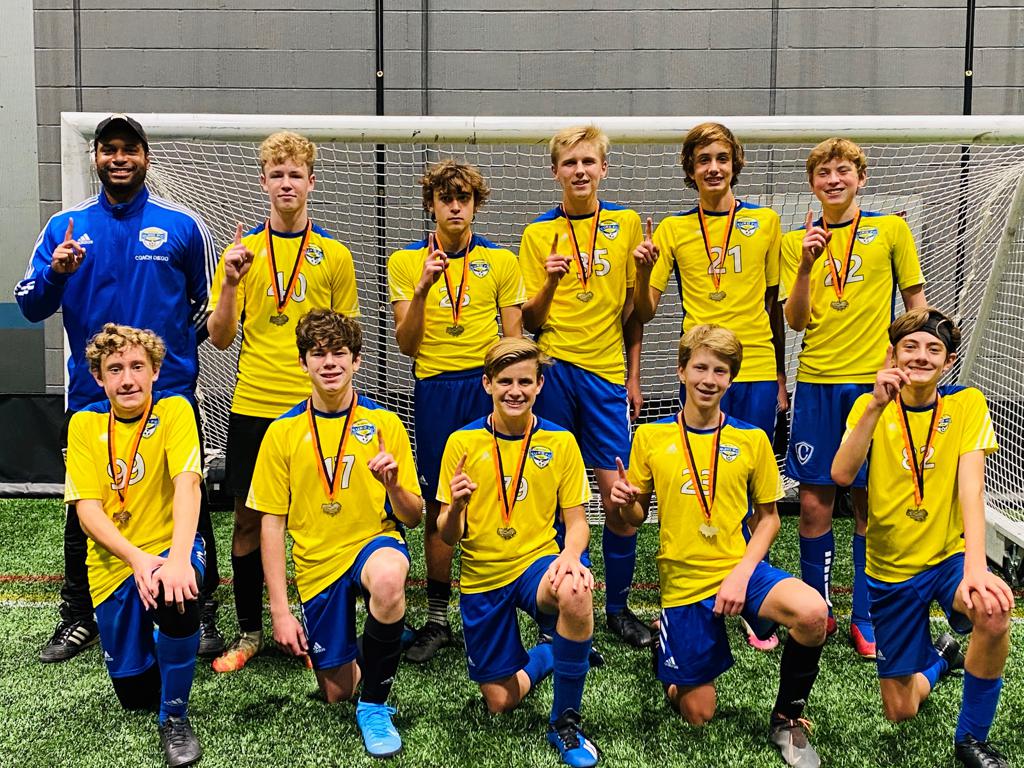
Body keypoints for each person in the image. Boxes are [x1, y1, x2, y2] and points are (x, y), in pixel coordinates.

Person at [14, 114, 224, 663]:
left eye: (129, 148)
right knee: (83, 507)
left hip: (171, 397)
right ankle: (78, 615)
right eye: (109, 149)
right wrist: (57, 273)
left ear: (146, 157)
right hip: (91, 400)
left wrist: (165, 362)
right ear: (96, 158)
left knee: (188, 496)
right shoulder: (65, 227)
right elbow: (30, 305)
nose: (119, 158)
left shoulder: (182, 225)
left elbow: (205, 308)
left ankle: (199, 608)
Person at [611, 325, 828, 768]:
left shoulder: (752, 439)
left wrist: (741, 574)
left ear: (731, 379)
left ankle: (787, 719)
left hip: (740, 569)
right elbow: (634, 518)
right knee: (698, 714)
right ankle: (666, 647)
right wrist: (625, 502)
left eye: (720, 371)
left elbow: (769, 519)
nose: (709, 379)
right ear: (681, 371)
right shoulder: (650, 438)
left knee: (813, 613)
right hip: (684, 581)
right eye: (701, 368)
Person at [205, 130, 360, 673]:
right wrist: (230, 283)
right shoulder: (241, 254)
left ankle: (323, 629)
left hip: (316, 412)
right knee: (248, 521)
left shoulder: (334, 255)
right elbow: (220, 337)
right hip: (253, 406)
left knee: (324, 519)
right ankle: (250, 632)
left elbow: (349, 340)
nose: (286, 183)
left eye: (296, 174)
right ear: (263, 181)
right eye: (277, 174)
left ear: (311, 182)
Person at [832, 307, 1013, 768]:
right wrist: (875, 405)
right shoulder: (869, 406)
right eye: (910, 346)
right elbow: (841, 474)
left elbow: (972, 490)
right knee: (902, 709)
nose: (921, 356)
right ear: (892, 355)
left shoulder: (967, 404)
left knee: (993, 610)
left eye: (934, 349)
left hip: (948, 560)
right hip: (890, 571)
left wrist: (976, 568)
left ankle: (971, 739)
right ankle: (942, 659)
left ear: (948, 361)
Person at [631, 121, 788, 651]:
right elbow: (646, 311)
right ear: (691, 169)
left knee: (751, 486)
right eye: (703, 160)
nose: (713, 168)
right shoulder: (673, 230)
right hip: (703, 372)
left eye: (722, 158)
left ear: (734, 164)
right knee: (705, 480)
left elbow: (775, 306)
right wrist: (642, 271)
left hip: (755, 366)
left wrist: (781, 376)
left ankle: (748, 594)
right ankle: (695, 588)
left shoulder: (766, 222)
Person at [249, 310, 422, 759]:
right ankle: (384, 637)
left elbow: (414, 516)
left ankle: (375, 705)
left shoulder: (385, 424)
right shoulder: (282, 433)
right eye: (318, 353)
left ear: (356, 360)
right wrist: (280, 611)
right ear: (302, 362)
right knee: (336, 691)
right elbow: (271, 524)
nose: (329, 362)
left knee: (389, 579)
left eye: (339, 353)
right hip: (316, 562)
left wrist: (394, 486)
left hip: (372, 543)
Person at [780, 137, 927, 659]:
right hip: (818, 382)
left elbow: (915, 304)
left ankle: (865, 617)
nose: (834, 180)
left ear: (861, 178)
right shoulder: (795, 240)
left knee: (870, 503)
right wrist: (806, 264)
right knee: (813, 505)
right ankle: (817, 609)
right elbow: (795, 320)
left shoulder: (891, 229)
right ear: (812, 183)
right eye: (824, 173)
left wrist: (914, 365)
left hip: (874, 388)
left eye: (843, 170)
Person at [436, 338, 599, 767]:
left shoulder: (561, 442)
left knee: (576, 590)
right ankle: (553, 652)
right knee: (500, 701)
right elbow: (448, 536)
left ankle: (565, 722)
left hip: (535, 565)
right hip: (482, 576)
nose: (515, 391)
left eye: (525, 381)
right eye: (505, 381)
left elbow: (578, 522)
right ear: (487, 383)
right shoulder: (461, 443)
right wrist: (456, 507)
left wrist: (571, 556)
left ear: (539, 385)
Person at [518, 124, 651, 648]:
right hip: (554, 372)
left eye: (588, 161)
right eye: (570, 163)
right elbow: (530, 322)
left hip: (605, 376)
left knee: (619, 497)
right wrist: (550, 281)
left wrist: (633, 377)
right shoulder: (537, 234)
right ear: (556, 171)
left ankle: (617, 609)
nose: (580, 171)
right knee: (554, 496)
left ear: (604, 168)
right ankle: (563, 605)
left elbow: (636, 315)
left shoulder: (626, 223)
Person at [388, 159, 525, 662]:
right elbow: (406, 344)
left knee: (498, 494)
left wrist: (508, 393)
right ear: (431, 205)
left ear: (475, 204)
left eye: (463, 198)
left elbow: (514, 343)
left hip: (485, 388)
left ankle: (501, 603)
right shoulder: (405, 261)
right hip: (436, 389)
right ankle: (437, 619)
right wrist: (423, 289)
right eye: (444, 198)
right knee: (438, 502)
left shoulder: (501, 260)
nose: (454, 207)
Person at [64, 323, 206, 767]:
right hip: (115, 566)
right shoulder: (84, 424)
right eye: (115, 369)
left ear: (155, 371)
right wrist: (137, 560)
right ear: (98, 378)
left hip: (170, 547)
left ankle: (175, 717)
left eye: (137, 367)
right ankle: (163, 652)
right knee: (135, 694)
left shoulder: (175, 411)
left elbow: (188, 486)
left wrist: (177, 560)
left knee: (175, 592)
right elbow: (87, 513)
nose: (127, 379)